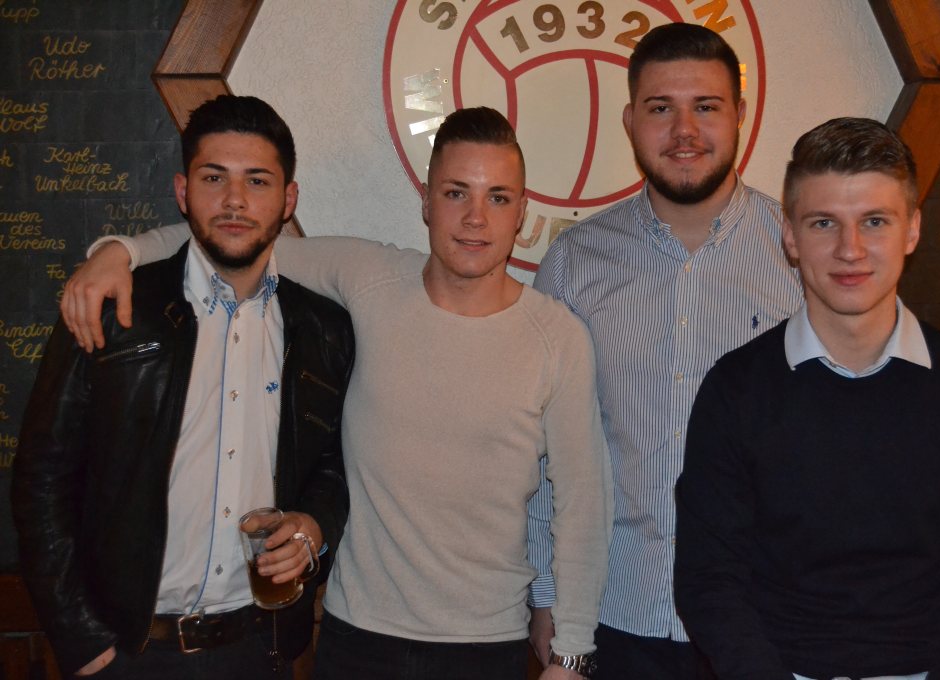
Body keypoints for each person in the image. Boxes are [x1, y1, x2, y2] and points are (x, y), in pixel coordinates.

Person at [59, 107, 612, 680]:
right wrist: (121, 251)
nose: (475, 218)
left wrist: (571, 654)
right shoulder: (367, 277)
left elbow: (583, 507)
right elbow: (236, 235)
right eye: (455, 193)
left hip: (487, 644)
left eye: (497, 197)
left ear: (522, 212)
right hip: (355, 639)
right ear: (426, 202)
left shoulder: (557, 338)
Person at [12, 95, 354, 679]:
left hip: (259, 649)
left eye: (258, 181)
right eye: (213, 177)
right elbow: (41, 476)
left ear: (288, 199)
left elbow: (333, 462)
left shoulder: (323, 328)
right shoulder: (112, 307)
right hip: (125, 652)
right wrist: (81, 641)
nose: (235, 200)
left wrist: (314, 525)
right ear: (182, 191)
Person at [674, 117, 940, 679]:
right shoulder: (735, 390)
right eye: (823, 223)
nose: (850, 249)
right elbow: (709, 579)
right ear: (790, 236)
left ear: (912, 230)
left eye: (874, 221)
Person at [525, 22, 803, 679]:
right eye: (660, 109)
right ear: (629, 121)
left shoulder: (799, 255)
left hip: (766, 623)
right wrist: (545, 594)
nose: (684, 131)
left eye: (705, 106)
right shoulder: (575, 263)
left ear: (740, 114)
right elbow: (543, 444)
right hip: (615, 618)